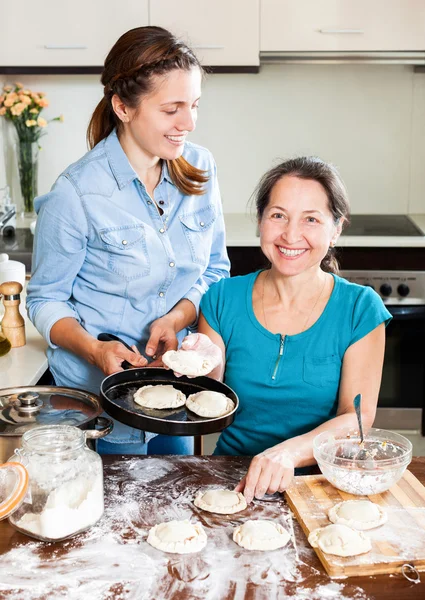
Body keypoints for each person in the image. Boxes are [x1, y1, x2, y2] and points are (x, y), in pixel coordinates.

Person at [26, 26, 230, 455]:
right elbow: (45, 300)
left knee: (172, 510)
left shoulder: (200, 166)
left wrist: (175, 319)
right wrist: (94, 349)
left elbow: (215, 268)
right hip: (96, 409)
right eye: (172, 109)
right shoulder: (76, 193)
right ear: (123, 106)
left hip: (175, 402)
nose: (188, 123)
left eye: (193, 106)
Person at [196, 156, 392, 502]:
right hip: (231, 478)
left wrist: (286, 453)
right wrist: (195, 367)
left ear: (336, 229)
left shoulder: (360, 309)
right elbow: (209, 398)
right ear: (260, 221)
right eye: (278, 215)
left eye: (311, 219)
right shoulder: (222, 298)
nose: (290, 235)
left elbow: (356, 417)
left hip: (322, 486)